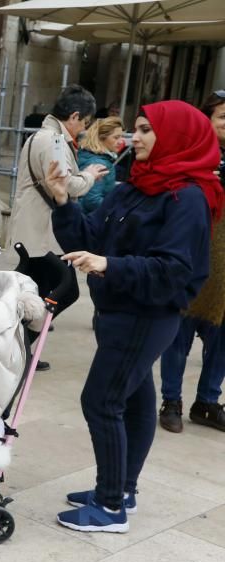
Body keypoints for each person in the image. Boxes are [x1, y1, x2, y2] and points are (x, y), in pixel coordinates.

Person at [49, 100, 221, 533]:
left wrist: (111, 265)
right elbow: (90, 237)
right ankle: (122, 490)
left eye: (146, 130)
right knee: (136, 400)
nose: (135, 137)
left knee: (101, 401)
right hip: (117, 311)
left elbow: (176, 271)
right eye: (135, 129)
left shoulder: (188, 199)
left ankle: (109, 508)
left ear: (177, 136)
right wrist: (64, 202)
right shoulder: (135, 186)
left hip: (146, 316)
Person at [158, 92, 225, 433]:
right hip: (193, 258)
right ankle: (171, 400)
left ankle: (208, 402)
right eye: (223, 117)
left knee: (222, 338)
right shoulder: (190, 158)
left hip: (224, 269)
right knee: (178, 335)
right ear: (207, 120)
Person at [9, 84, 108, 256]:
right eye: (85, 122)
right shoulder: (55, 142)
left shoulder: (41, 136)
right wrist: (89, 175)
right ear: (75, 116)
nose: (84, 129)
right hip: (44, 236)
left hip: (36, 232)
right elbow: (65, 184)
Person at [77, 116, 124, 214]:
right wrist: (116, 211)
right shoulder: (99, 163)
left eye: (121, 136)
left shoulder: (91, 155)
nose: (121, 141)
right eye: (116, 137)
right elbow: (92, 201)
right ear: (102, 138)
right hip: (89, 220)